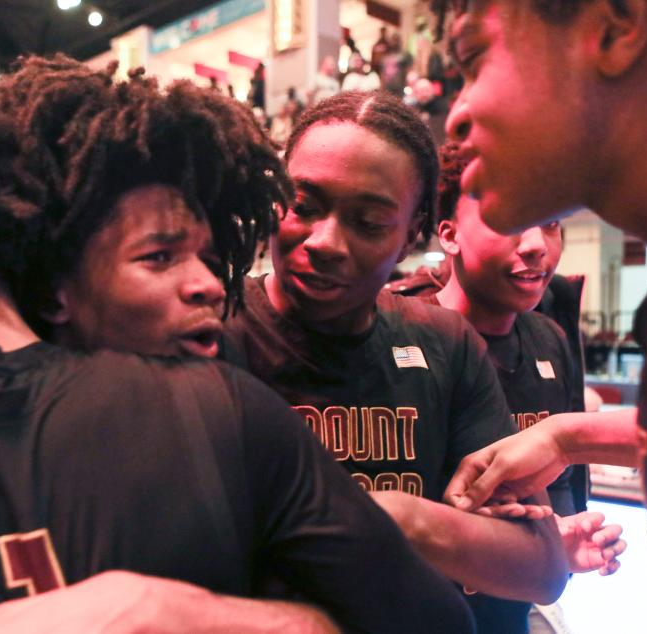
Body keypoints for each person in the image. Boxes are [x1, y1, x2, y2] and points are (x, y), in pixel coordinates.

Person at [0, 65, 474, 633]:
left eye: (204, 257)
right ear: (49, 267)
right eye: (160, 256)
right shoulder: (227, 412)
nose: (204, 285)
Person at [220, 90, 568, 614]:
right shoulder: (215, 331)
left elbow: (540, 569)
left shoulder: (446, 344)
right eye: (304, 206)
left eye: (368, 222)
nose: (325, 241)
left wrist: (404, 519)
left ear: (409, 238)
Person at [430, 0, 647, 521]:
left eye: (473, 58)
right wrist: (564, 436)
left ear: (615, 23)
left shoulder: (548, 333)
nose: (457, 114)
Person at [403, 142, 624, 632]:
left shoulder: (550, 338)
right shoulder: (399, 328)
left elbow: (560, 488)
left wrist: (562, 539)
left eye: (549, 224)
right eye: (510, 222)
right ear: (450, 235)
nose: (537, 245)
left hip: (521, 607)